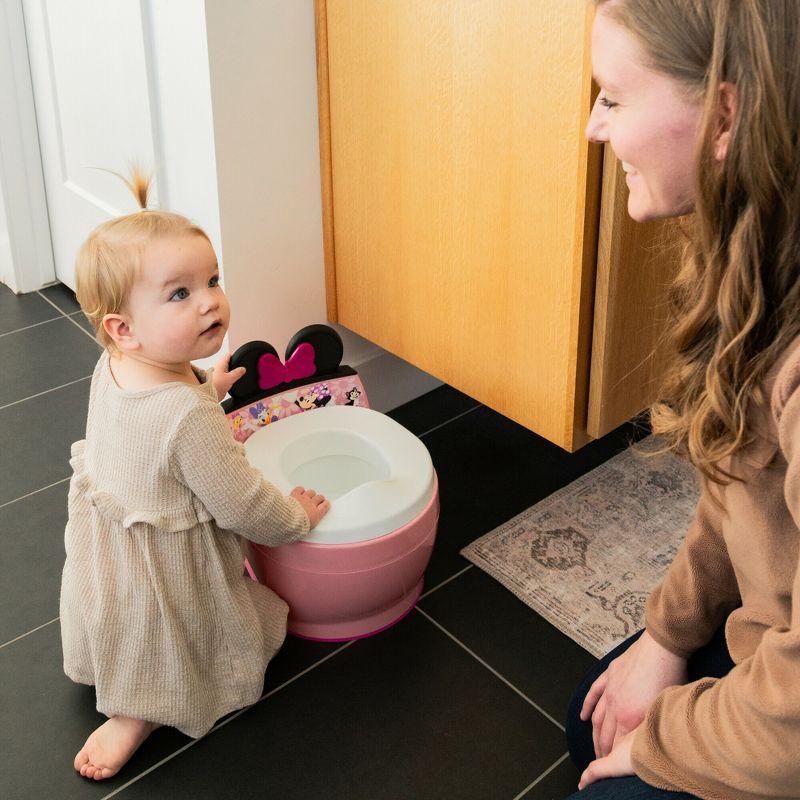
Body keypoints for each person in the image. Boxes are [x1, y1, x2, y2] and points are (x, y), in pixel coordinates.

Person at [565, 1, 800, 798]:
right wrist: (667, 635)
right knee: (591, 720)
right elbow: (743, 491)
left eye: (614, 98)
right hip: (775, 640)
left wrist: (672, 742)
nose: (595, 128)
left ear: (725, 115)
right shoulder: (757, 258)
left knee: (616, 771)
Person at [60, 169, 330, 781]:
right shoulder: (187, 418)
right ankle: (137, 712)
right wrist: (295, 517)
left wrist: (209, 386)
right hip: (165, 561)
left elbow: (148, 430)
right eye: (179, 293)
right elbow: (240, 503)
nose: (210, 299)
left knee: (125, 622)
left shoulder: (119, 366)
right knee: (168, 635)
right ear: (123, 329)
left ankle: (119, 678)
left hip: (111, 544)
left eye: (211, 280)